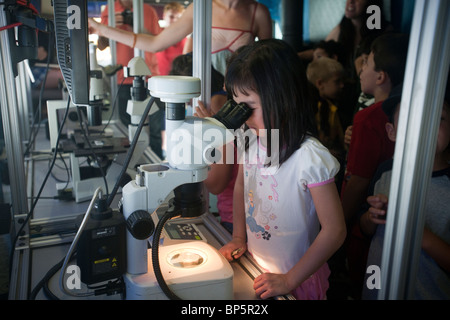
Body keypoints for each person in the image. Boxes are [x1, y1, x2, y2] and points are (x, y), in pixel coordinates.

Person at [219, 39, 346, 300]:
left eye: (249, 108)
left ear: (282, 98)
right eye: (237, 105)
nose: (243, 117)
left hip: (298, 279)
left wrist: (290, 279)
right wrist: (238, 237)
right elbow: (242, 186)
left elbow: (335, 231)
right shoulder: (251, 140)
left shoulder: (310, 157)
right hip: (258, 268)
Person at [360, 82, 450, 299]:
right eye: (410, 120)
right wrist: (372, 216)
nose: (423, 128)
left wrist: (420, 235)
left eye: (437, 118)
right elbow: (365, 228)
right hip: (376, 291)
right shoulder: (385, 172)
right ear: (392, 132)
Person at [341, 33, 409, 298]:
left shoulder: (368, 118)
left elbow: (357, 180)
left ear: (381, 76)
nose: (361, 68)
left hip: (365, 224)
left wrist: (341, 223)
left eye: (367, 62)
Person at [88, 0, 272, 78]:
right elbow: (155, 44)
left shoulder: (258, 13)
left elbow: (269, 66)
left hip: (242, 100)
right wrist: (101, 29)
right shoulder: (200, 7)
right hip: (204, 101)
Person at [97, 0, 162, 127]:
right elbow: (101, 45)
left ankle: (154, 148)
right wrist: (109, 29)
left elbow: (159, 41)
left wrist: (137, 28)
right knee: (126, 124)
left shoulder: (148, 10)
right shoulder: (110, 10)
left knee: (154, 124)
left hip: (150, 76)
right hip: (123, 77)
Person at [306, 57, 346, 165]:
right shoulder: (309, 109)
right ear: (320, 83)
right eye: (337, 82)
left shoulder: (332, 107)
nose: (342, 85)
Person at [155, 2, 187, 76]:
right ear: (164, 16)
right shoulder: (155, 35)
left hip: (178, 80)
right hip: (157, 80)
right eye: (171, 17)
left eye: (178, 18)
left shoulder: (185, 40)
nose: (175, 20)